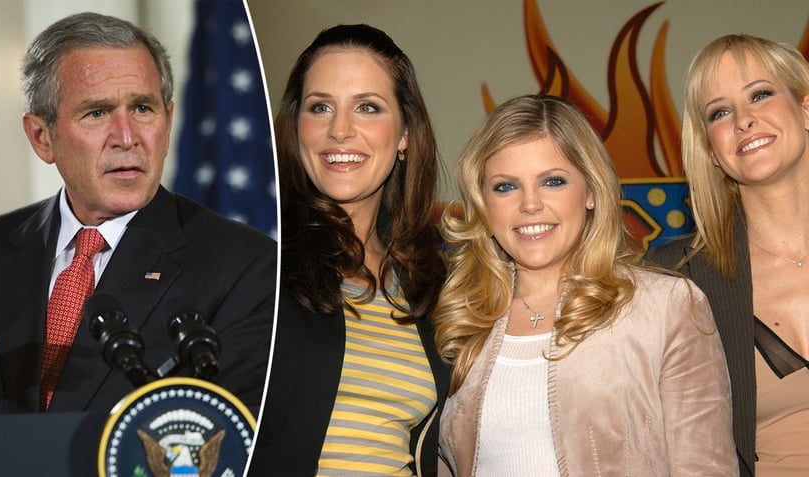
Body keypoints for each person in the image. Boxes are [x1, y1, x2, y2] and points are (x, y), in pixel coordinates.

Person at [0, 12, 275, 418]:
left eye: (143, 108)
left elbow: (235, 437)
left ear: (168, 120)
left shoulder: (246, 268)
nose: (127, 138)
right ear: (42, 137)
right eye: (97, 113)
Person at [434, 94, 736, 476]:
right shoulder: (459, 318)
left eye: (553, 181)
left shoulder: (665, 307)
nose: (530, 205)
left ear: (591, 192)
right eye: (505, 187)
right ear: (482, 203)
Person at [247, 24, 448, 476]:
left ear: (404, 135)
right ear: (295, 127)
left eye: (368, 108)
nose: (340, 130)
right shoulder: (256, 266)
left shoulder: (434, 285)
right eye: (320, 107)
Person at [646, 34, 809, 476]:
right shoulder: (673, 280)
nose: (743, 120)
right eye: (720, 112)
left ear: (805, 108)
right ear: (711, 152)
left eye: (760, 94)